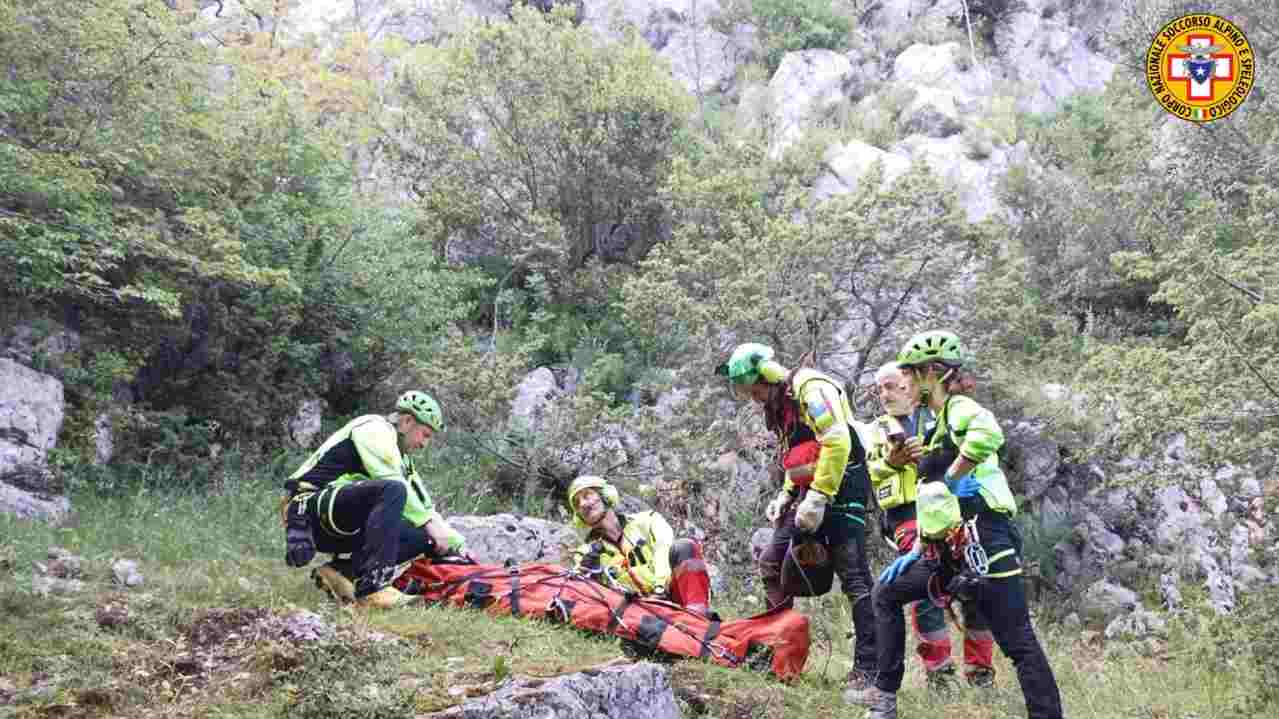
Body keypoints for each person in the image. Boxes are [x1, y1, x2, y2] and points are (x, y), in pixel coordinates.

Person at [848, 331, 1063, 719]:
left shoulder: (960, 407)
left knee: (1018, 642)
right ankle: (884, 700)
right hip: (947, 546)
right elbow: (932, 499)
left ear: (933, 372)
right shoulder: (936, 423)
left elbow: (988, 436)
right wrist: (918, 547)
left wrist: (952, 474)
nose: (908, 382)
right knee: (886, 592)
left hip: (987, 539)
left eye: (912, 374)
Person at [715, 343, 877, 693]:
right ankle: (776, 648)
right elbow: (798, 455)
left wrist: (819, 497)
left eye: (753, 389)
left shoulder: (811, 388)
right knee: (773, 562)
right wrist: (786, 495)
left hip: (844, 488)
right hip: (807, 493)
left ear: (765, 377)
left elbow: (836, 441)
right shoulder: (782, 406)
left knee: (855, 578)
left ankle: (870, 667)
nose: (753, 398)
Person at [864, 361, 995, 696]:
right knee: (927, 593)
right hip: (907, 519)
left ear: (910, 383)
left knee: (974, 588)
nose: (885, 394)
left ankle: (981, 674)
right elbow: (871, 472)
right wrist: (892, 462)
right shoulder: (876, 429)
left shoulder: (941, 416)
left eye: (891, 385)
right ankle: (940, 674)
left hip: (956, 514)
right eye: (879, 388)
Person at [281, 390, 470, 609]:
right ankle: (374, 588)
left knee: (423, 535)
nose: (424, 443)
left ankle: (342, 572)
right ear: (407, 421)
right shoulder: (373, 428)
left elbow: (426, 508)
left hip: (340, 519)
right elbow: (390, 481)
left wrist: (460, 546)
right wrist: (429, 524)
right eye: (425, 434)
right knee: (394, 490)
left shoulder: (403, 459)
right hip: (308, 508)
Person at [567, 475, 712, 617]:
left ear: (606, 495)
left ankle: (697, 616)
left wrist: (659, 588)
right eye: (577, 504)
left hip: (668, 592)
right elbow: (580, 584)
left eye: (587, 495)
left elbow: (663, 547)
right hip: (636, 612)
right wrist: (586, 571)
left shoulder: (647, 521)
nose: (583, 504)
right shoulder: (585, 552)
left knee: (684, 547)